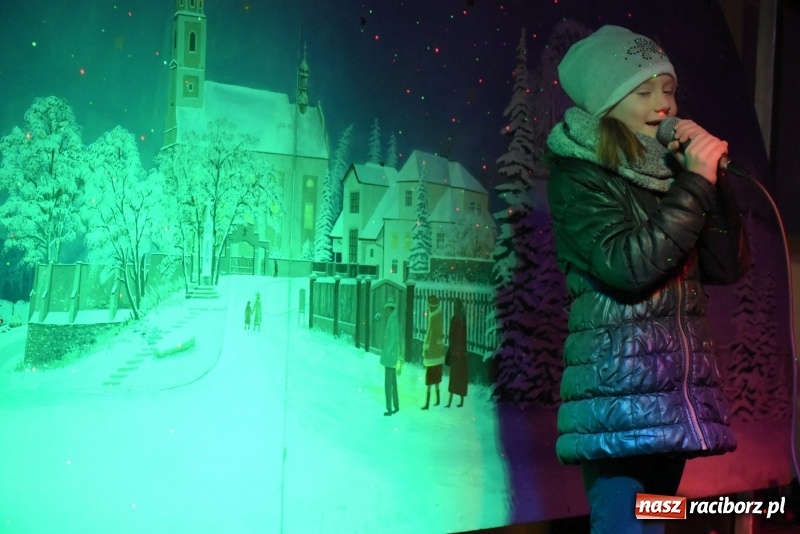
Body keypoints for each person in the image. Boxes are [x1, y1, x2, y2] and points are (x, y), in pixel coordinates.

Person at [545, 25, 750, 533]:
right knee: (624, 526)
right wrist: (694, 187)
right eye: (643, 91)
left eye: (669, 89)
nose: (663, 104)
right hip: (619, 395)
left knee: (650, 523)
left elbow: (726, 265)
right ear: (607, 101)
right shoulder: (580, 174)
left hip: (668, 395)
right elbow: (627, 265)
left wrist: (709, 180)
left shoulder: (671, 173)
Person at [421, 295, 445, 410]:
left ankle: (427, 403)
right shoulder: (437, 317)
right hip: (437, 353)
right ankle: (437, 399)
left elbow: (430, 336)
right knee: (435, 378)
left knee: (430, 378)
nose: (428, 308)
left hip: (432, 353)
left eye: (429, 306)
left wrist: (426, 349)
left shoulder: (434, 319)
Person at [445, 297, 468, 408]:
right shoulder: (463, 318)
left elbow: (454, 336)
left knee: (454, 378)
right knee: (460, 378)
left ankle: (449, 402)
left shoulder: (456, 318)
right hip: (462, 353)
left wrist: (453, 350)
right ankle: (461, 401)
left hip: (456, 354)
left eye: (454, 305)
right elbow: (463, 336)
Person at [380, 298, 400, 416]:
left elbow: (392, 339)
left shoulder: (392, 320)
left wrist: (386, 351)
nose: (385, 311)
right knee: (393, 382)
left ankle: (389, 408)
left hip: (390, 356)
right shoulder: (394, 319)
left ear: (389, 308)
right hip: (393, 355)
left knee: (388, 383)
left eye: (386, 309)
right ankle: (396, 405)